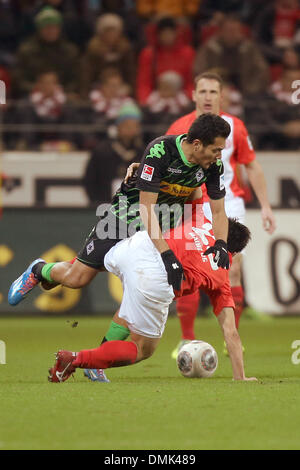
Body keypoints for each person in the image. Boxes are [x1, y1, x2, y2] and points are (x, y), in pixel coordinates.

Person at [8, 113, 231, 309]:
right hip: (124, 219)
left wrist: (220, 242)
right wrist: (167, 254)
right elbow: (146, 208)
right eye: (216, 149)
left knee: (142, 283)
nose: (219, 156)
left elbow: (219, 211)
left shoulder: (213, 167)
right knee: (77, 278)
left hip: (162, 228)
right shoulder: (161, 151)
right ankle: (39, 270)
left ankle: (113, 347)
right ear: (198, 144)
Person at [47, 201, 257, 383]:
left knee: (85, 276)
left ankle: (43, 271)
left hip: (138, 244)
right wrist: (240, 376)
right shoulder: (221, 276)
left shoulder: (199, 221)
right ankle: (75, 359)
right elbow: (230, 332)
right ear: (235, 252)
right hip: (155, 275)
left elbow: (195, 192)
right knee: (142, 349)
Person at [165, 71, 276, 357]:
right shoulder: (179, 126)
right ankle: (186, 338)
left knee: (232, 268)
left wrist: (265, 205)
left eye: (213, 92)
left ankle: (231, 340)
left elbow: (251, 164)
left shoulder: (235, 126)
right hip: (193, 202)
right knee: (190, 268)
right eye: (202, 91)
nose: (208, 97)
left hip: (230, 203)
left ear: (221, 96)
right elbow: (166, 164)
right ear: (193, 95)